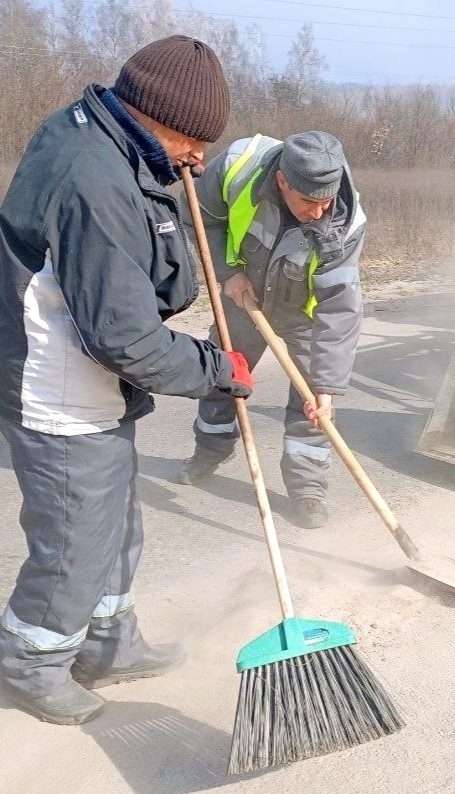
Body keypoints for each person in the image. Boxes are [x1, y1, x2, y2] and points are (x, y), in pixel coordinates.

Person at [0, 35, 254, 725]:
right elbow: (126, 338)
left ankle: (108, 644)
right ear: (155, 114)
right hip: (57, 385)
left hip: (89, 379)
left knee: (115, 523)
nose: (198, 158)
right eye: (195, 139)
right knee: (77, 535)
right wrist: (217, 370)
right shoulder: (93, 180)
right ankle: (33, 664)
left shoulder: (108, 141)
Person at [177, 130, 366, 530]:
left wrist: (327, 387)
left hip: (307, 316)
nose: (319, 212)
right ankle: (209, 453)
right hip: (245, 297)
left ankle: (308, 491)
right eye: (308, 202)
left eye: (325, 202)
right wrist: (229, 272)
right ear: (283, 180)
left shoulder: (344, 223)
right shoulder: (238, 166)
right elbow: (198, 215)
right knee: (223, 378)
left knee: (313, 405)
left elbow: (340, 307)